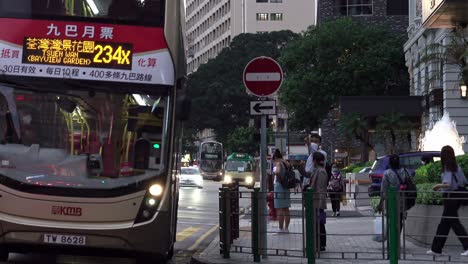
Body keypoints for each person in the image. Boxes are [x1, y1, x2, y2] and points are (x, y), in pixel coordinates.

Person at [427, 146, 468, 256]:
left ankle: (467, 246)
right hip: (458, 197)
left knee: (454, 223)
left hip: (450, 198)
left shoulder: (447, 167)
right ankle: (436, 249)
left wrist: (437, 186)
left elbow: (447, 184)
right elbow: (464, 181)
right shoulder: (456, 167)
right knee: (444, 224)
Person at [377, 154, 409, 232]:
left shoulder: (387, 173)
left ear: (390, 162)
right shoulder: (404, 171)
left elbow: (384, 190)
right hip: (402, 199)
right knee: (400, 219)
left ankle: (392, 240)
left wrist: (380, 203)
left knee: (391, 220)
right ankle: (397, 239)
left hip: (391, 201)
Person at [273, 149, 291, 232]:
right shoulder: (286, 163)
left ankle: (280, 228)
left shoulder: (279, 163)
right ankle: (286, 228)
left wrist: (279, 179)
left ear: (276, 157)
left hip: (280, 187)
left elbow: (277, 172)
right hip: (287, 186)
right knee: (286, 208)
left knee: (279, 208)